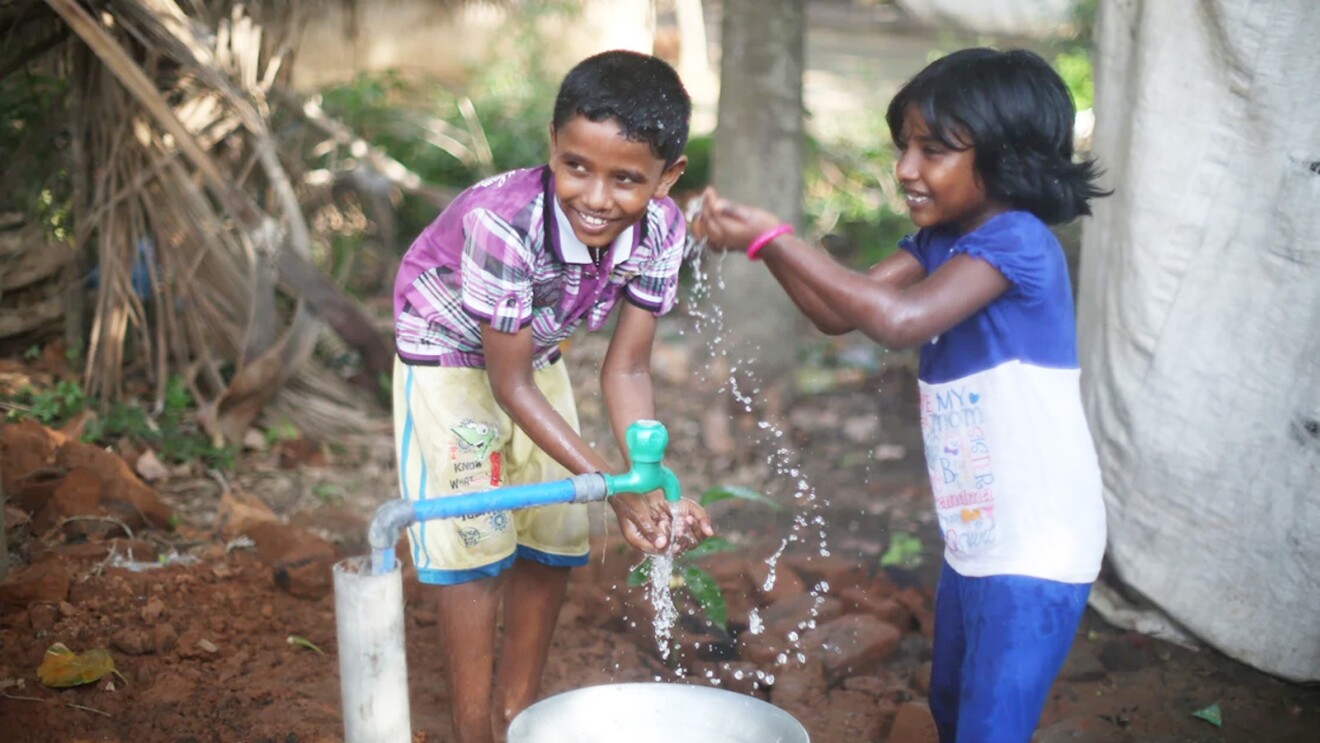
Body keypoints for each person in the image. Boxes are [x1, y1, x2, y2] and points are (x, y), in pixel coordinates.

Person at [694, 48, 1109, 743]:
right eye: (904, 146)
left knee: (990, 727)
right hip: (976, 539)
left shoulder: (1019, 242)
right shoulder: (940, 240)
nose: (906, 168)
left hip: (1038, 546)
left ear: (1007, 155)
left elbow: (897, 321)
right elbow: (836, 313)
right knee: (951, 709)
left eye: (934, 149)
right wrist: (762, 249)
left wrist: (777, 234)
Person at [392, 50, 714, 743]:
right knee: (475, 536)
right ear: (552, 148)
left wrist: (647, 482)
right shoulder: (502, 222)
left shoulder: (662, 229)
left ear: (669, 177)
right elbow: (504, 385)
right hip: (449, 350)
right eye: (577, 167)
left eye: (626, 178)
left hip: (530, 344)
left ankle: (520, 715)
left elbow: (626, 370)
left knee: (555, 529)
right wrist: (610, 482)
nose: (596, 197)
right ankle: (474, 726)